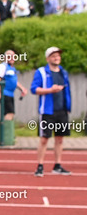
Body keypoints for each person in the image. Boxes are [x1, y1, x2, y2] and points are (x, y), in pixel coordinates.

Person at [31, 47, 72, 177]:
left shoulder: (63, 72)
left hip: (62, 110)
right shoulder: (41, 72)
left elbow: (67, 91)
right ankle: (40, 166)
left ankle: (57, 165)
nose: (56, 58)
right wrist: (50, 90)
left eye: (58, 55)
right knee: (44, 139)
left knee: (60, 139)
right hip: (47, 111)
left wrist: (68, 106)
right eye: (53, 56)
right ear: (47, 58)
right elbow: (34, 89)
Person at [0, 50, 27, 121]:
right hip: (4, 93)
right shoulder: (3, 66)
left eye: (13, 56)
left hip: (10, 94)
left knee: (10, 113)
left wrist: (22, 88)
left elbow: (13, 81)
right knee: (9, 113)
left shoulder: (12, 68)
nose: (12, 58)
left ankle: (5, 126)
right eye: (9, 56)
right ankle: (5, 128)